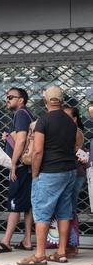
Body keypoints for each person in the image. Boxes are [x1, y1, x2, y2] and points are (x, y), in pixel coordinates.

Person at [18, 86, 77, 265]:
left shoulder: (43, 121)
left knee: (42, 213)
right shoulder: (70, 122)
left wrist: (35, 174)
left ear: (46, 101)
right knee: (64, 212)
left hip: (50, 172)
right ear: (62, 100)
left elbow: (37, 151)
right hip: (69, 171)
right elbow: (74, 144)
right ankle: (61, 252)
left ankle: (40, 254)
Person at [0, 88, 35, 254]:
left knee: (14, 203)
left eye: (10, 97)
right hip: (29, 167)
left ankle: (6, 241)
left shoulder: (21, 114)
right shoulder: (27, 114)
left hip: (21, 167)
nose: (6, 100)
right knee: (28, 204)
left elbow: (21, 140)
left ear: (21, 100)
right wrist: (8, 137)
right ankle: (27, 240)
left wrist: (14, 164)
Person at [62, 106, 84, 257]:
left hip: (75, 173)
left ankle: (72, 244)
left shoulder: (76, 132)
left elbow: (73, 151)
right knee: (67, 208)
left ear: (75, 119)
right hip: (70, 172)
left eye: (67, 116)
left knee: (70, 209)